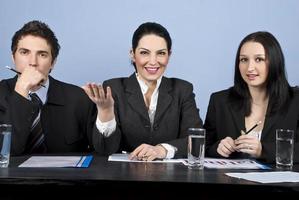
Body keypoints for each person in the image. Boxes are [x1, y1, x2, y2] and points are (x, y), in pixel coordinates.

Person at [84, 22, 203, 161]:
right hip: (123, 176)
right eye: (144, 53)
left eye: (161, 53)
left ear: (169, 55)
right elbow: (105, 149)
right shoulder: (113, 88)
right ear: (132, 54)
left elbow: (195, 141)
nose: (153, 62)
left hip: (171, 178)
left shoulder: (183, 89)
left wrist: (162, 150)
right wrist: (106, 113)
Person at [0, 20, 96, 155]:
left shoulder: (79, 97)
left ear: (53, 62)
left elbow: (100, 154)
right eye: (24, 52)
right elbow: (6, 153)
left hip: (65, 176)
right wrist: (21, 89)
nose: (33, 62)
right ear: (13, 57)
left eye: (42, 54)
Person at [204, 31, 299, 163]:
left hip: (279, 183)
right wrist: (218, 148)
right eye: (244, 60)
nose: (250, 68)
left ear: (275, 62)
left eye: (259, 59)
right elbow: (204, 146)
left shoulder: (295, 101)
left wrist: (263, 150)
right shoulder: (220, 101)